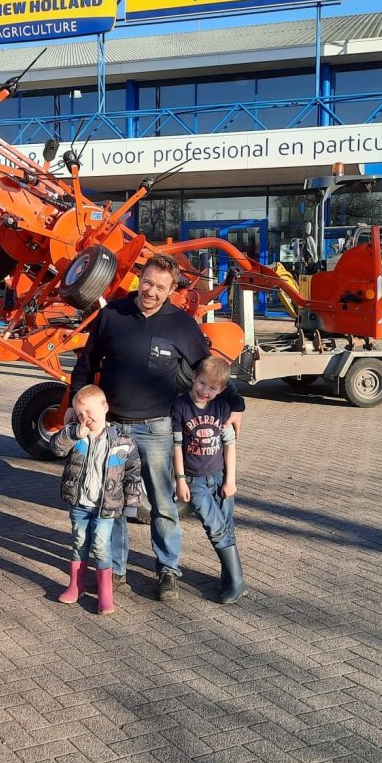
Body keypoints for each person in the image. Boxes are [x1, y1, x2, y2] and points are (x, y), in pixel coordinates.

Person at [68, 253, 212, 601]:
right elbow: (86, 365)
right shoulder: (112, 315)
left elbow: (207, 373)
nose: (151, 291)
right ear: (139, 279)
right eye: (147, 282)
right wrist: (75, 405)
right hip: (113, 429)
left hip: (158, 429)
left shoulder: (181, 325)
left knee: (163, 503)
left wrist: (230, 407)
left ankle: (167, 571)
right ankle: (114, 570)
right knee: (113, 504)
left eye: (161, 287)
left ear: (172, 290)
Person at [49, 385, 142, 615]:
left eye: (89, 412)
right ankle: (76, 585)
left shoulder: (122, 441)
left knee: (101, 545)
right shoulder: (75, 434)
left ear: (105, 408)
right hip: (80, 503)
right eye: (80, 414)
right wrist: (71, 433)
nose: (85, 418)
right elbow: (55, 448)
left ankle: (105, 594)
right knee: (79, 542)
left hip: (105, 507)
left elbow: (133, 473)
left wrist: (131, 505)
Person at [172, 355, 248, 604]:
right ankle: (237, 582)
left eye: (212, 388)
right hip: (195, 481)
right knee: (215, 528)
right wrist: (181, 479)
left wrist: (231, 481)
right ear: (194, 378)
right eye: (202, 383)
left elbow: (230, 445)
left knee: (226, 527)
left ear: (222, 390)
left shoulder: (223, 407)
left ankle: (230, 580)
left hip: (221, 477)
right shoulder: (180, 406)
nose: (205, 391)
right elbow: (176, 445)